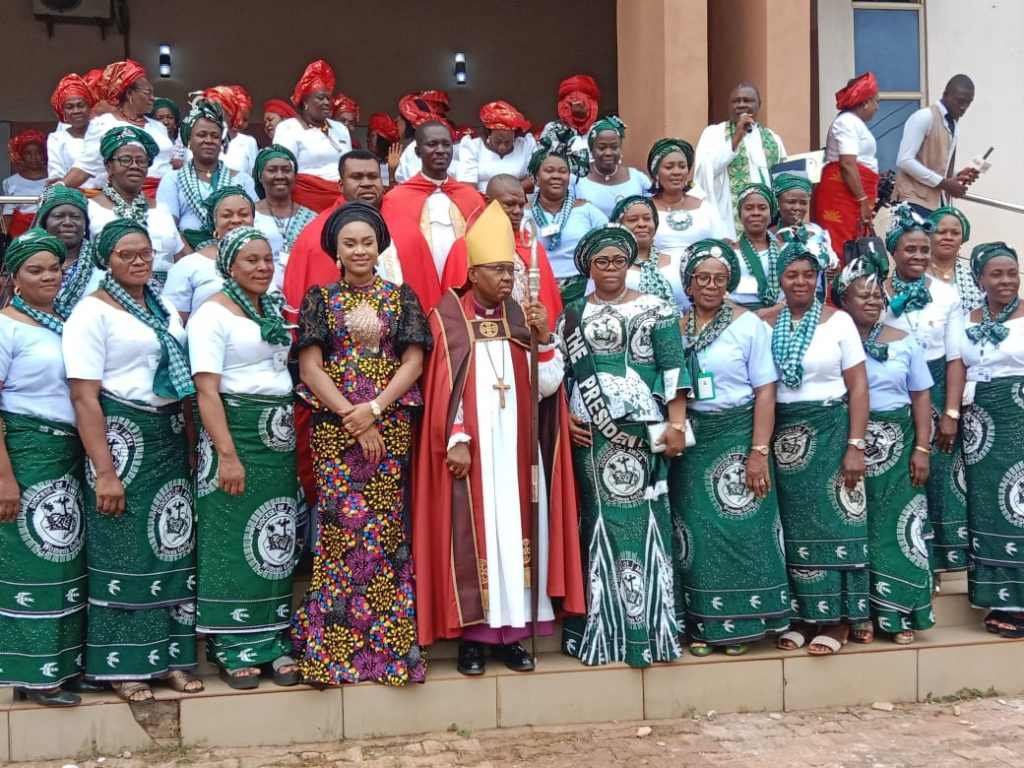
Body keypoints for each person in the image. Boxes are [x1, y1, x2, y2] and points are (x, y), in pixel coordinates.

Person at [415, 201, 582, 675]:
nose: (507, 277)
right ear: (473, 270)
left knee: (518, 532)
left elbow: (548, 388)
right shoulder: (447, 317)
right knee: (477, 533)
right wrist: (458, 438)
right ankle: (473, 637)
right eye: (497, 269)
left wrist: (545, 339)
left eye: (511, 269)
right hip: (475, 452)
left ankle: (512, 636)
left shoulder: (523, 316)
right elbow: (445, 385)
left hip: (516, 450)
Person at [291, 202, 430, 685]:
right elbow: (310, 368)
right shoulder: (319, 300)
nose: (359, 250)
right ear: (336, 250)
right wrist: (353, 415)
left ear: (380, 247)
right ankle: (331, 652)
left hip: (388, 424)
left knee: (384, 532)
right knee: (339, 533)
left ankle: (388, 653)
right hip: (335, 429)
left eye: (367, 242)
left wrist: (374, 410)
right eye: (349, 243)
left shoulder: (401, 298)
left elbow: (413, 362)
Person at [64, 218, 201, 703]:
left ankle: (170, 661)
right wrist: (104, 471)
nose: (139, 260)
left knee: (172, 542)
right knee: (123, 548)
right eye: (127, 254)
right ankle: (121, 666)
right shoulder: (91, 313)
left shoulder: (161, 303)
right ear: (106, 260)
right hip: (122, 436)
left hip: (168, 435)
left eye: (145, 252)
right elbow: (84, 398)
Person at [557, 223, 688, 667]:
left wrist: (676, 422)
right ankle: (602, 630)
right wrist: (565, 415)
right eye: (601, 262)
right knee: (600, 523)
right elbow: (562, 374)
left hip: (642, 433)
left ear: (630, 264)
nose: (611, 268)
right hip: (591, 435)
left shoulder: (656, 307)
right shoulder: (572, 313)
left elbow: (674, 369)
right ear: (588, 267)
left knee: (644, 522)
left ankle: (647, 632)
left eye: (618, 260)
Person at [188, 226, 300, 688]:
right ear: (229, 266)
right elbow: (206, 390)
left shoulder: (268, 307)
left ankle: (273, 638)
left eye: (267, 259)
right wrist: (227, 456)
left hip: (277, 438)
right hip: (236, 433)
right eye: (250, 260)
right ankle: (230, 644)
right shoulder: (211, 315)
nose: (261, 267)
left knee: (274, 537)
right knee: (230, 537)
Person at [670, 238, 789, 656]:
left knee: (742, 526)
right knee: (696, 532)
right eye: (702, 277)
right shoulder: (676, 325)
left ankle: (743, 621)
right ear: (688, 282)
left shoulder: (747, 325)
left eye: (720, 279)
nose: (711, 285)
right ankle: (704, 624)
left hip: (738, 433)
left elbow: (766, 391)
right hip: (693, 438)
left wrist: (759, 451)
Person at [766, 240, 870, 656]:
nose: (801, 281)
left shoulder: (839, 322)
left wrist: (855, 445)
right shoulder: (765, 323)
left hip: (830, 430)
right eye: (792, 274)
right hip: (783, 435)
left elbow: (858, 386)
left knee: (835, 522)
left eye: (809, 274)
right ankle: (801, 617)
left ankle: (839, 620)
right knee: (793, 527)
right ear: (780, 279)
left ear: (821, 278)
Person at [0, 230, 87, 707]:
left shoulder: (63, 322)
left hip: (66, 455)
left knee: (65, 559)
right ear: (14, 277)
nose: (48, 276)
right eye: (35, 270)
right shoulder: (6, 326)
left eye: (54, 268)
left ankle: (62, 665)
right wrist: (4, 476)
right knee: (33, 558)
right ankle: (33, 675)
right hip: (26, 450)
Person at [833, 253, 935, 645]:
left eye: (878, 295)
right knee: (857, 527)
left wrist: (922, 449)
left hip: (899, 443)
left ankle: (900, 610)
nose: (874, 302)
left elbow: (921, 396)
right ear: (845, 300)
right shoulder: (834, 340)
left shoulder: (905, 342)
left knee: (899, 527)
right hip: (848, 444)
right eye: (864, 296)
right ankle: (862, 613)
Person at [882, 205, 967, 575]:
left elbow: (955, 359)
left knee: (935, 475)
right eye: (909, 250)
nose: (918, 256)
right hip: (891, 395)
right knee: (899, 481)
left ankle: (937, 563)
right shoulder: (875, 292)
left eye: (923, 250)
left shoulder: (948, 295)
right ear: (894, 252)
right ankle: (907, 564)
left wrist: (950, 412)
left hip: (934, 391)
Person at [958, 242, 1024, 637]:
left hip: (1020, 416)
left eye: (1012, 273)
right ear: (980, 278)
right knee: (989, 509)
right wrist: (952, 415)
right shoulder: (967, 318)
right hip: (980, 426)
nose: (1005, 281)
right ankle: (1002, 599)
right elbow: (957, 368)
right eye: (996, 274)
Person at [379, 121, 483, 310]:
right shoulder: (396, 199)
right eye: (432, 144)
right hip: (417, 287)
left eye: (446, 144)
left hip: (463, 287)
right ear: (418, 151)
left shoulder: (471, 198)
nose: (441, 150)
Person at [87, 126, 185, 292]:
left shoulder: (161, 210)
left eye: (141, 161)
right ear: (109, 166)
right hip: (110, 297)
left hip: (166, 299)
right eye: (125, 160)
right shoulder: (90, 209)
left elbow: (180, 258)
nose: (134, 166)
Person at [156, 99, 258, 250]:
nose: (208, 140)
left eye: (215, 136)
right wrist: (197, 261)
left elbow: (253, 225)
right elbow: (169, 228)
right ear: (189, 141)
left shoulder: (242, 180)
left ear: (222, 142)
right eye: (202, 135)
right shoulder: (173, 179)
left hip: (236, 257)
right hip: (188, 257)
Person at [63, 60, 174, 195]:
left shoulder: (158, 126)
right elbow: (85, 166)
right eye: (148, 92)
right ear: (129, 94)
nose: (152, 98)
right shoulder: (105, 124)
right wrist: (57, 189)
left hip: (165, 195)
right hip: (127, 197)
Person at [693, 83, 787, 240]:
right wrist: (735, 139)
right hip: (727, 220)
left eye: (747, 100)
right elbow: (704, 173)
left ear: (759, 105)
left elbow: (783, 180)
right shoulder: (713, 134)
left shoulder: (773, 138)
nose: (741, 105)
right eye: (736, 101)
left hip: (766, 221)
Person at [525, 127, 607, 304]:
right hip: (534, 293)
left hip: (581, 292)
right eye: (549, 171)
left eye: (563, 171)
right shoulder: (523, 213)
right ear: (536, 177)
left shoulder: (587, 210)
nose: (556, 176)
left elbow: (608, 244)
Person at [812, 72, 880, 261]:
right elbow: (848, 164)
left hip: (854, 194)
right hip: (844, 195)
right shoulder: (846, 122)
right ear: (865, 102)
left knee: (855, 246)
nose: (877, 107)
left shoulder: (855, 123)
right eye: (876, 101)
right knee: (841, 246)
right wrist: (863, 200)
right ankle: (837, 290)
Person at [164, 185, 255, 322]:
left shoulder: (264, 262)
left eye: (243, 214)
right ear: (214, 225)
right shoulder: (189, 265)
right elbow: (175, 325)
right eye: (226, 215)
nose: (236, 220)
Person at [273, 60, 353, 213]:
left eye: (328, 98)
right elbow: (283, 169)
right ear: (305, 101)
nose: (326, 103)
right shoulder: (288, 128)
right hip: (305, 204)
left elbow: (349, 166)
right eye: (320, 97)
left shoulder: (340, 129)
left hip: (341, 202)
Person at [895, 75, 978, 215]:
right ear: (945, 95)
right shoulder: (924, 117)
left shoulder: (953, 123)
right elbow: (904, 160)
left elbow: (934, 165)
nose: (963, 107)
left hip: (937, 203)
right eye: (960, 101)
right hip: (913, 201)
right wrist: (944, 183)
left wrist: (958, 174)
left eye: (968, 103)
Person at [251, 145, 317, 291]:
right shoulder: (248, 215)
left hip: (301, 291)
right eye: (272, 170)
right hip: (258, 292)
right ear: (260, 176)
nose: (280, 175)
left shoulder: (312, 218)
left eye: (286, 170)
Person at [647, 138, 724, 259]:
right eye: (669, 167)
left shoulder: (705, 208)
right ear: (656, 173)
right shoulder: (644, 209)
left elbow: (720, 248)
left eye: (682, 166)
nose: (677, 172)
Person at [609, 195, 684, 313]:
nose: (642, 224)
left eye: (647, 218)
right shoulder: (609, 265)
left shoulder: (676, 262)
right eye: (633, 220)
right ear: (619, 226)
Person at [32, 185, 100, 313]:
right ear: (44, 223)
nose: (68, 222)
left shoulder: (102, 261)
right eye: (58, 216)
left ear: (86, 224)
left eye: (75, 217)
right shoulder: (28, 260)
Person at [573, 116, 651, 218]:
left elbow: (651, 212)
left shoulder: (638, 178)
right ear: (591, 149)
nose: (608, 153)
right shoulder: (576, 179)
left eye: (614, 147)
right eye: (602, 148)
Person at [457, 101, 536, 194]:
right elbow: (468, 185)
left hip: (516, 199)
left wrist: (505, 192)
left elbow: (535, 178)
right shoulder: (472, 145)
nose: (502, 147)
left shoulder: (526, 144)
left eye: (508, 142)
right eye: (497, 141)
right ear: (488, 134)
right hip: (482, 199)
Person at [730, 183, 782, 310]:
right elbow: (719, 292)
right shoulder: (729, 252)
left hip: (778, 314)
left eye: (762, 208)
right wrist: (745, 315)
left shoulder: (784, 251)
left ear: (771, 214)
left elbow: (794, 289)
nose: (755, 213)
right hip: (736, 316)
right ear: (740, 214)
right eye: (749, 208)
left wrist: (772, 311)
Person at [773, 173, 837, 271]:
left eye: (803, 203)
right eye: (791, 202)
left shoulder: (817, 232)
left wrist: (833, 268)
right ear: (778, 203)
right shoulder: (768, 237)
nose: (797, 208)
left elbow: (832, 262)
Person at [928, 206, 982, 311]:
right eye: (941, 232)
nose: (948, 237)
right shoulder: (915, 271)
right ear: (929, 235)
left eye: (955, 233)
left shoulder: (973, 279)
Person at [393, 94, 457, 184]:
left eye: (399, 118)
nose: (396, 120)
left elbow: (420, 184)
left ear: (409, 120)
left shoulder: (415, 148)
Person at [47, 74, 95, 181]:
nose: (76, 111)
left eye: (81, 105)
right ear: (62, 112)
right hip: (71, 195)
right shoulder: (57, 139)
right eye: (69, 107)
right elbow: (56, 175)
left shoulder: (102, 133)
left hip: (107, 196)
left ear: (89, 107)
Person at [3, 131, 48, 239]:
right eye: (28, 153)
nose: (33, 156)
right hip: (19, 231)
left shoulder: (54, 179)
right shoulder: (10, 182)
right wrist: (4, 238)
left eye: (38, 152)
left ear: (44, 155)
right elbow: (8, 212)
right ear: (21, 156)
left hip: (47, 227)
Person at [542, 74, 601, 157]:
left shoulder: (601, 131)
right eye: (571, 101)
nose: (577, 108)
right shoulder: (552, 130)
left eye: (582, 103)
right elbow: (543, 161)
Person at [366, 112, 401, 188]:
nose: (367, 140)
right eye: (367, 135)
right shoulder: (363, 161)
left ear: (383, 139)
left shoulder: (400, 164)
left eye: (371, 135)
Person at [150, 97, 185, 170]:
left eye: (170, 117)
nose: (166, 122)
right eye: (159, 118)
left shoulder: (185, 141)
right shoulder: (145, 142)